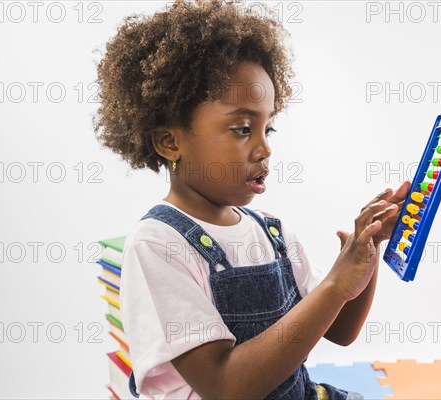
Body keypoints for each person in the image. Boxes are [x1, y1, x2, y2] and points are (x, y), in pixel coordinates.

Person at [93, 0, 410, 398]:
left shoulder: (272, 232)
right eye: (243, 129)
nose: (264, 149)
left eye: (268, 129)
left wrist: (366, 249)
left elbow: (341, 331)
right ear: (169, 141)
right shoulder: (158, 245)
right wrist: (334, 285)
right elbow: (226, 387)